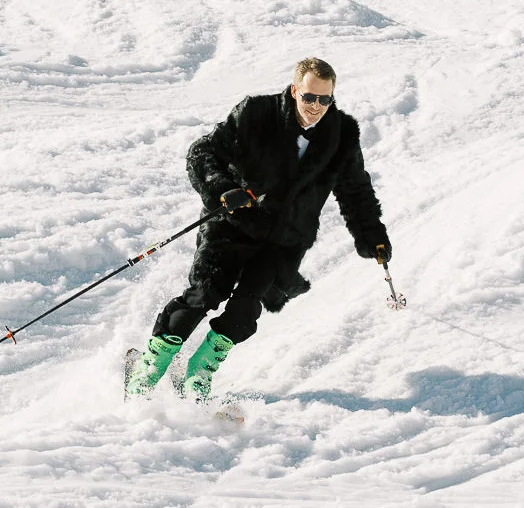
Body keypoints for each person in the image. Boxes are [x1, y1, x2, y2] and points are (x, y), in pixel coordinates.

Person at [124, 58, 392, 401]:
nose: (316, 108)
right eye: (310, 98)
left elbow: (355, 191)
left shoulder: (341, 136)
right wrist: (222, 189)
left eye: (326, 100)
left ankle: (198, 373)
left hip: (284, 241)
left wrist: (372, 237)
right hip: (233, 224)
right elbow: (202, 152)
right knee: (206, 294)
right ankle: (149, 366)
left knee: (245, 308)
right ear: (295, 90)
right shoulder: (256, 114)